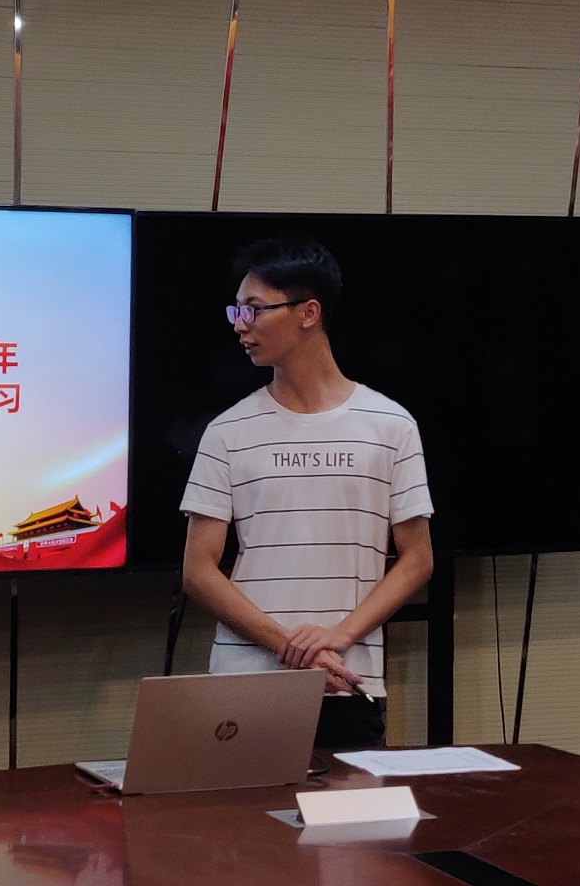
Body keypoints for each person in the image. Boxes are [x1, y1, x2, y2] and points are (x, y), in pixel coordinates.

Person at [180, 236, 434, 749]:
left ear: (308, 313)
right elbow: (198, 570)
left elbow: (417, 559)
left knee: (351, 805)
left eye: (254, 309)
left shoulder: (391, 425)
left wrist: (337, 637)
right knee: (240, 807)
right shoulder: (227, 431)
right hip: (245, 683)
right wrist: (292, 647)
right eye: (236, 309)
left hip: (347, 680)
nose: (239, 324)